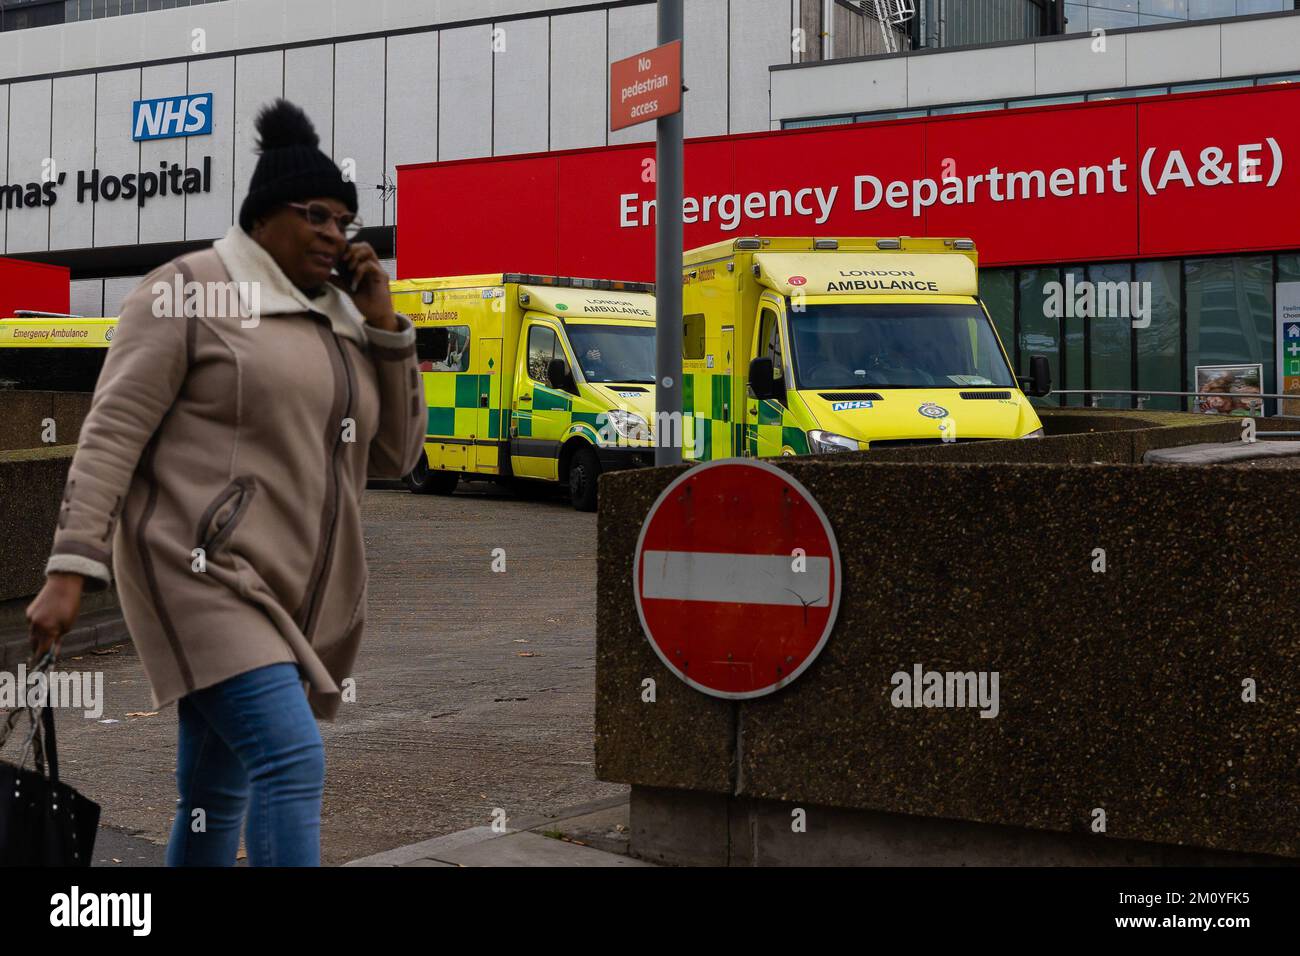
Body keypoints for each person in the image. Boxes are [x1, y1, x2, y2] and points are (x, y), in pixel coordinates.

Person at [24, 99, 427, 867]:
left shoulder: (339, 317)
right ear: (263, 215)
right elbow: (112, 432)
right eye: (316, 214)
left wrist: (384, 327)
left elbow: (395, 456)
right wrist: (70, 567)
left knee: (216, 795)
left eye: (345, 220)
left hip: (286, 597)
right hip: (197, 574)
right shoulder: (187, 290)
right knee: (291, 759)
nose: (334, 234)